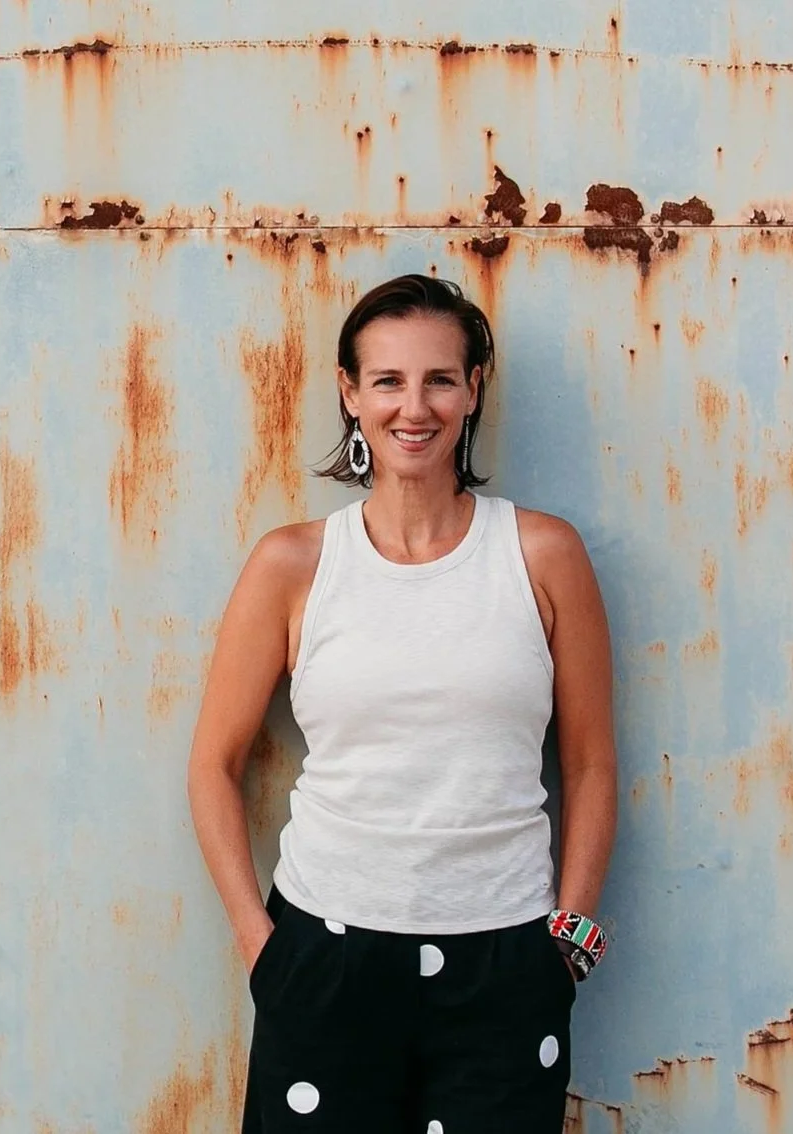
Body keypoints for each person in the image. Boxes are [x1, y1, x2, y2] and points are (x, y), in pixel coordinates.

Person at [187, 274, 618, 1133]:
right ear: (350, 393)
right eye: (387, 380)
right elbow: (212, 766)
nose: (413, 408)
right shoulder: (294, 565)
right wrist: (262, 950)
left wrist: (568, 948)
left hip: (507, 960)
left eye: (439, 380)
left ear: (473, 390)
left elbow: (591, 764)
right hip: (325, 956)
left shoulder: (542, 554)